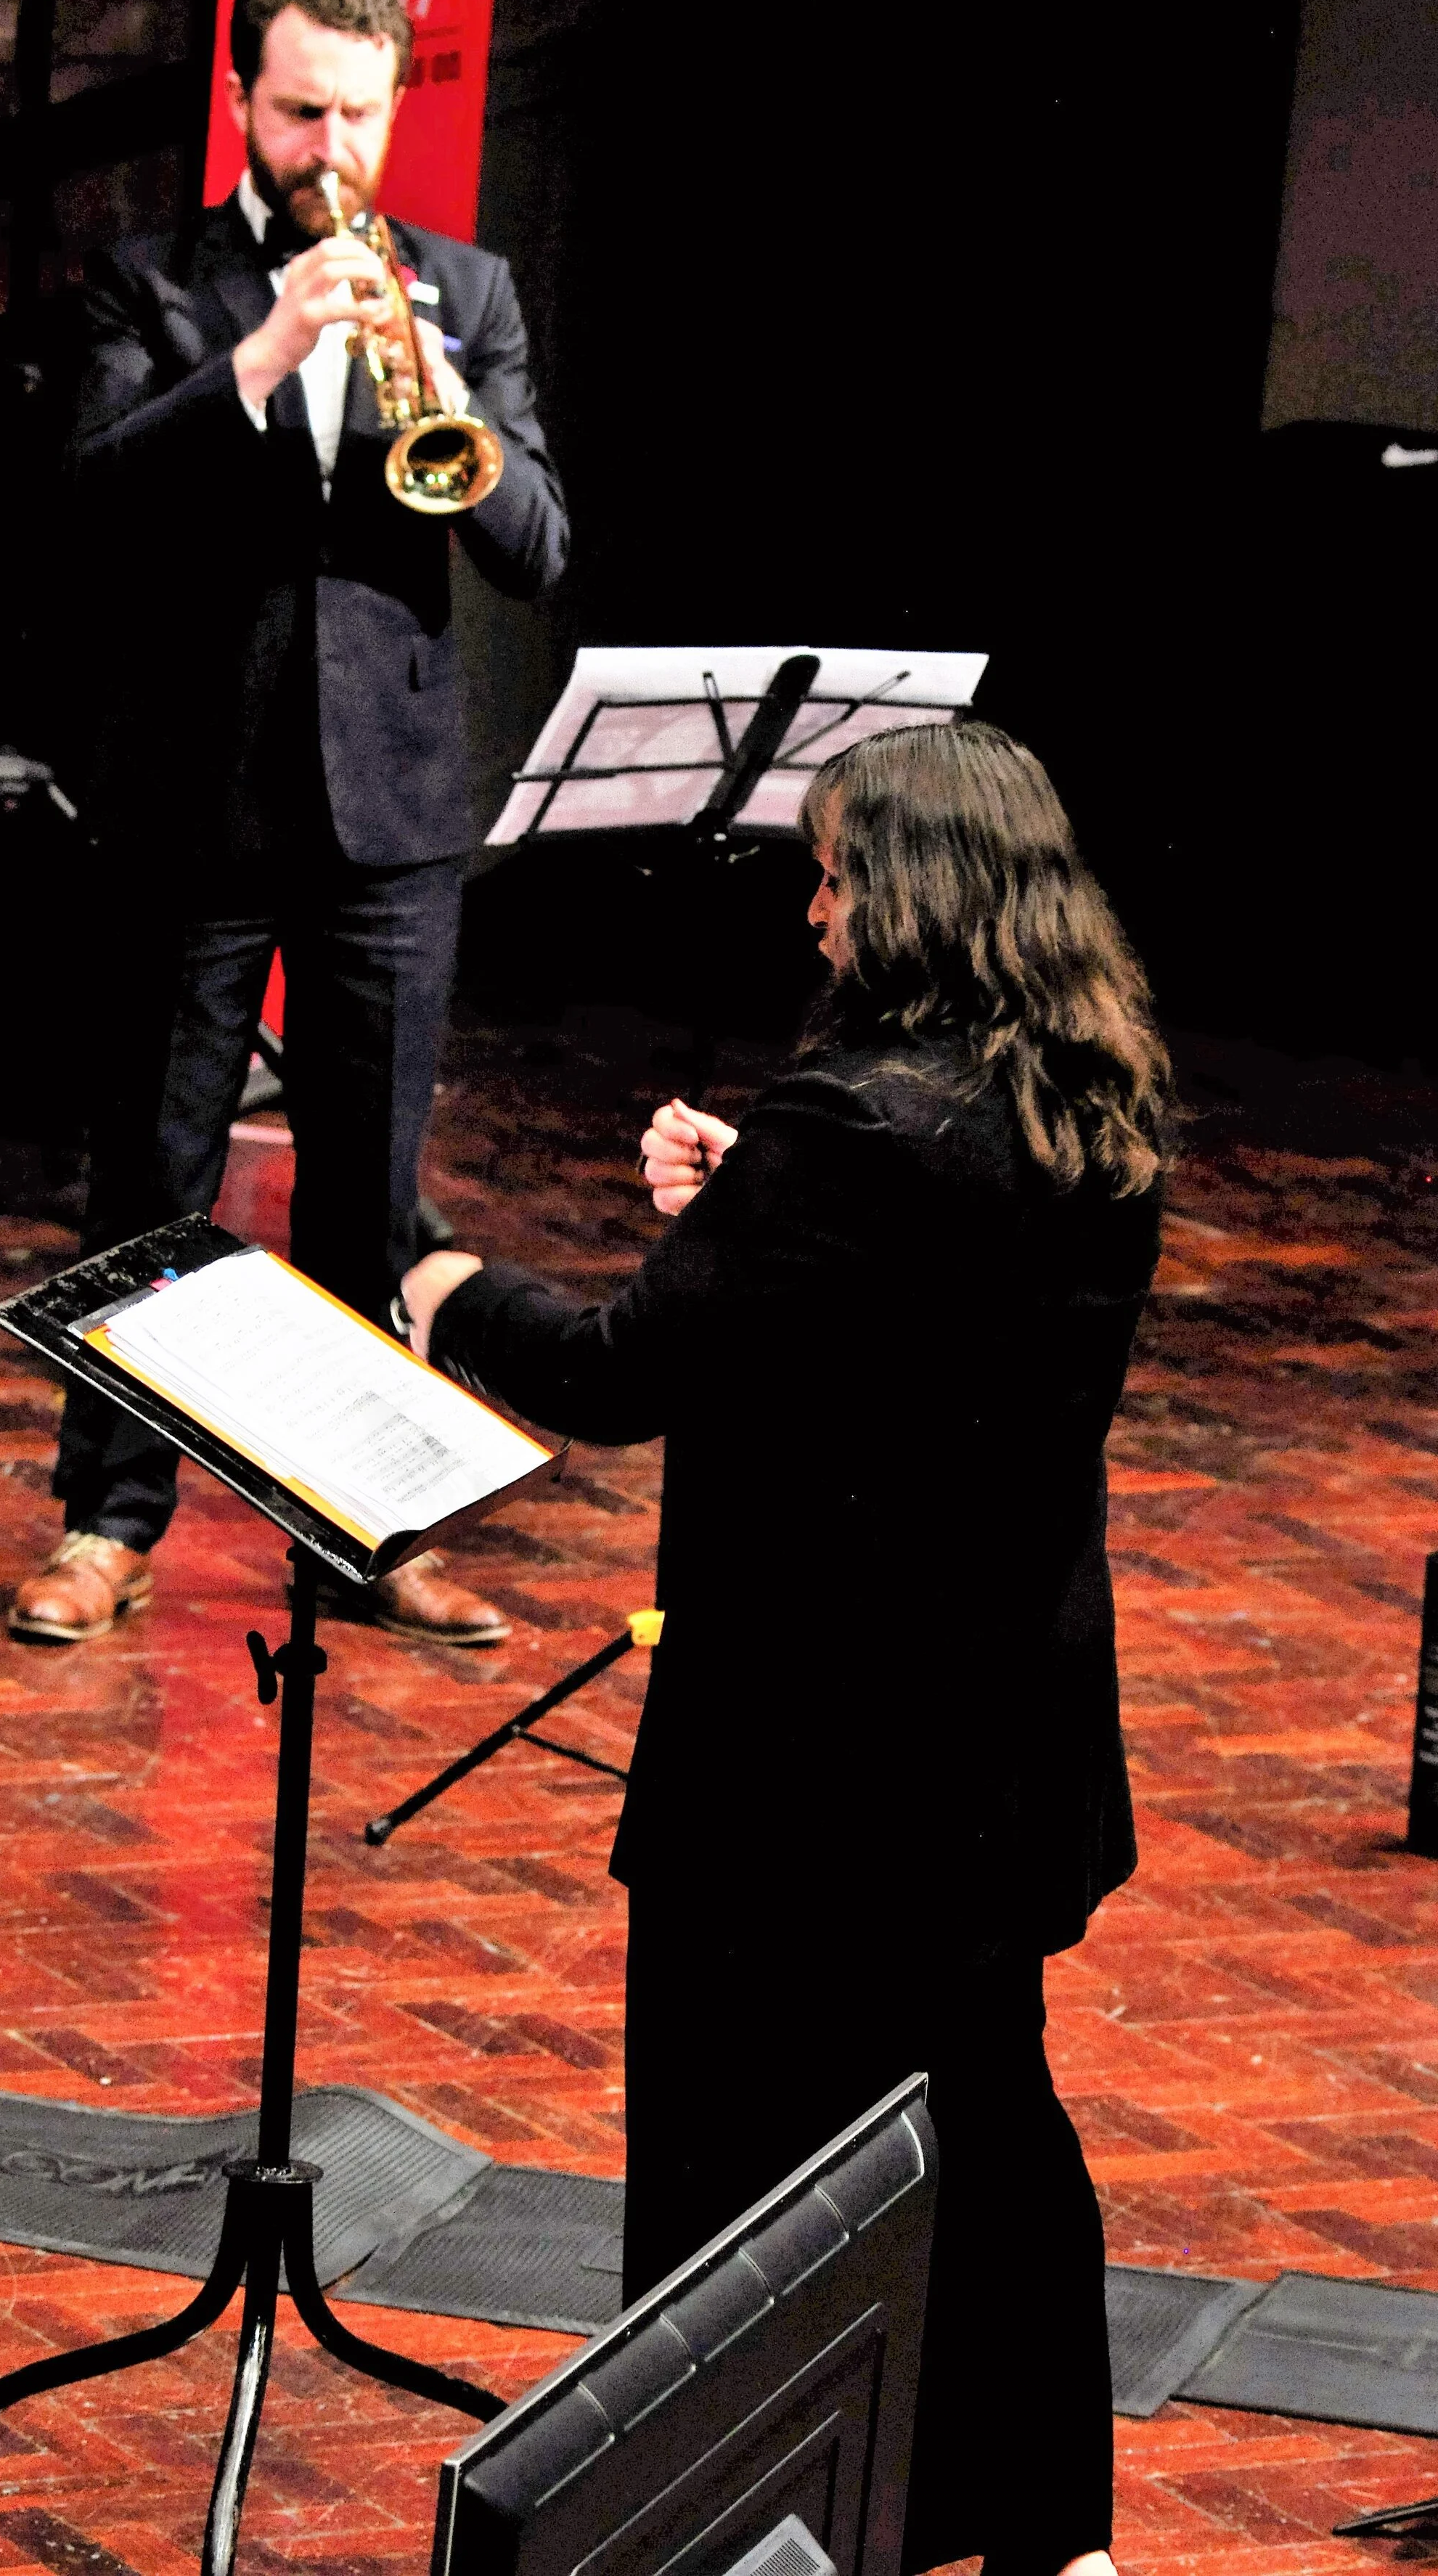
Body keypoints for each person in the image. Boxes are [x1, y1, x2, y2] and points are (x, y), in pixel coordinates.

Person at [400, 722, 1169, 2574]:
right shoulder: (1087, 1087)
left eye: (835, 877)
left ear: (910, 899)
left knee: (745, 2164)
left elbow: (615, 1375)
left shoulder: (854, 1128)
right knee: (989, 2126)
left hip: (819, 1755)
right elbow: (925, 1310)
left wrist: (442, 1291)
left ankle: (754, 2526)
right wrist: (751, 1201)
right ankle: (1047, 2528)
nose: (814, 912)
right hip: (1001, 1728)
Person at [12, 0, 567, 1649]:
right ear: (243, 106)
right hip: (194, 802)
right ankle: (107, 1520)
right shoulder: (147, 282)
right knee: (154, 1179)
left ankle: (360, 1534)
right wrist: (257, 357)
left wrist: (449, 397)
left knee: (366, 1197)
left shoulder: (465, 288)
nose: (332, 141)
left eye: (359, 111)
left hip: (392, 817)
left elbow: (536, 545)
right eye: (301, 109)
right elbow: (89, 503)